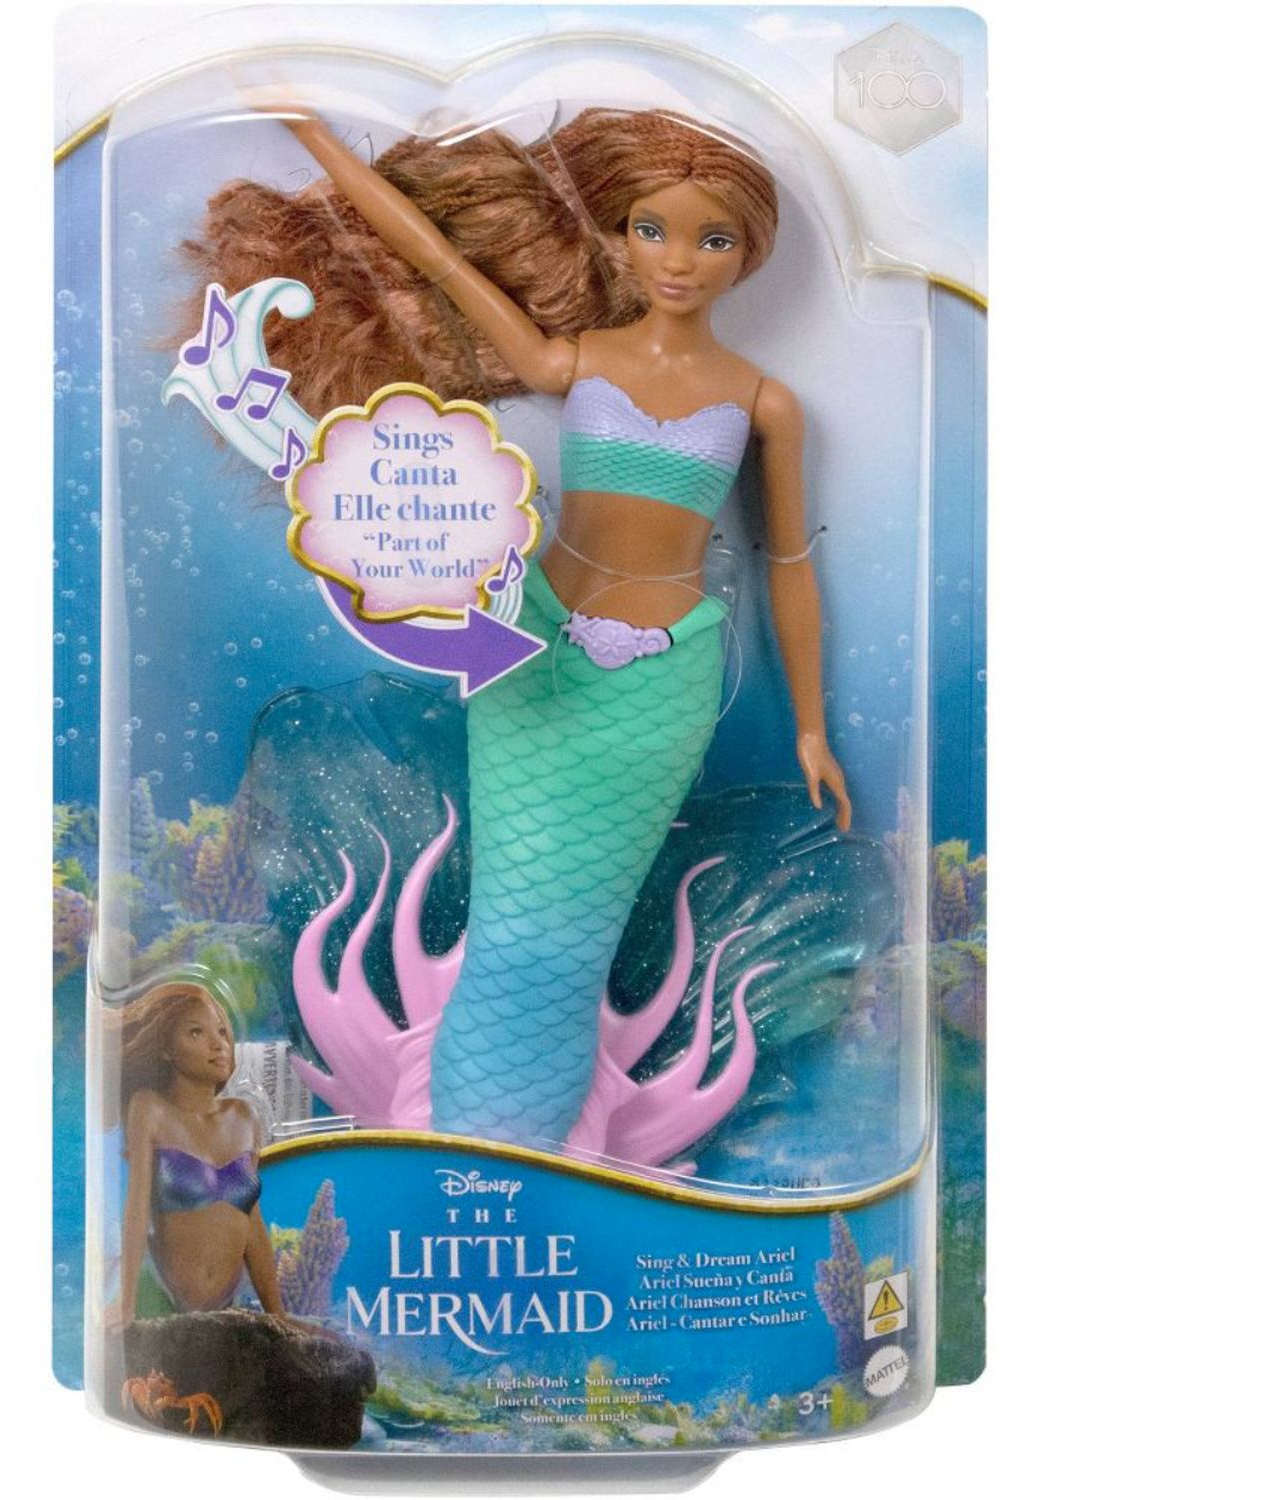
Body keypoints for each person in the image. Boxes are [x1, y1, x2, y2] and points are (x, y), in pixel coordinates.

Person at [187, 106, 851, 1149]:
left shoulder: (764, 402)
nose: (679, 260)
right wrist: (314, 137)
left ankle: (541, 1162)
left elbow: (791, 565)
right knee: (512, 934)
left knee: (576, 943)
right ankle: (463, 1150)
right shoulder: (573, 361)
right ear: (620, 236)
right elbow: (440, 263)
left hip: (659, 691)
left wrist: (810, 727)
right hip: (529, 654)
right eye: (653, 230)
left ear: (748, 254)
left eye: (713, 238)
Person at [107, 981, 290, 1325]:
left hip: (226, 1309)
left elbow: (250, 1220)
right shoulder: (149, 1108)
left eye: (221, 1032)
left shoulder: (244, 1117)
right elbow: (136, 1206)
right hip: (161, 1298)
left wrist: (278, 1316)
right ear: (166, 1049)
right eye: (196, 1033)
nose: (218, 1044)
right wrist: (124, 1302)